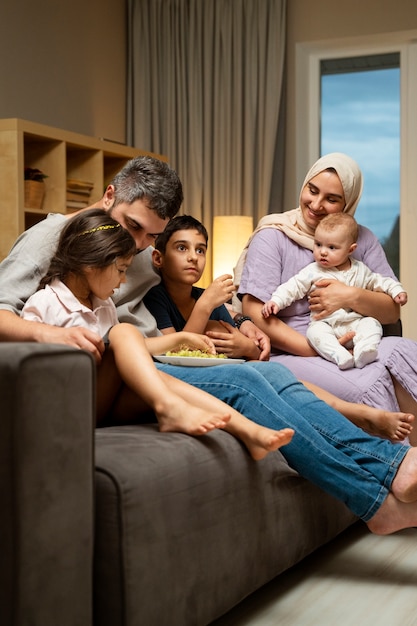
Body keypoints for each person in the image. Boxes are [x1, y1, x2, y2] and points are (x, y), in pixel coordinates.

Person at [2, 155, 417, 535]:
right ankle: (376, 498)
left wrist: (240, 322)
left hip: (154, 355)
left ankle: (390, 465)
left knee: (270, 371)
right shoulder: (53, 237)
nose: (142, 245)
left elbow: (191, 293)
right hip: (114, 368)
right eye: (134, 228)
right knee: (246, 385)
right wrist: (50, 333)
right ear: (109, 196)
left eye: (153, 236)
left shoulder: (146, 248)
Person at [21, 207, 294, 457]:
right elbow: (30, 374)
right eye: (120, 270)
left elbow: (131, 350)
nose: (124, 280)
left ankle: (248, 431)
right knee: (124, 333)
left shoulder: (103, 306)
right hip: (70, 406)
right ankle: (168, 408)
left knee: (162, 377)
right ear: (91, 264)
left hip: (104, 401)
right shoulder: (45, 304)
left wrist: (182, 338)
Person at [145, 213, 412, 443]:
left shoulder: (207, 297)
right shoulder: (159, 298)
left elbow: (245, 339)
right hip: (210, 377)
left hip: (238, 365)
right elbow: (174, 353)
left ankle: (361, 415)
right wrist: (206, 307)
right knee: (278, 383)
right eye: (182, 248)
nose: (193, 257)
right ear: (158, 258)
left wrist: (246, 340)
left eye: (200, 250)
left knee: (288, 380)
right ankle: (361, 415)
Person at [237, 152, 417, 446]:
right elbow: (255, 312)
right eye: (312, 190)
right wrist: (317, 349)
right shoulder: (274, 235)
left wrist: (349, 294)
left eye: (332, 199)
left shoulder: (362, 239)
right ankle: (397, 468)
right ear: (304, 185)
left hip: (354, 337)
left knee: (405, 352)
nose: (317, 204)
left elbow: (391, 312)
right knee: (368, 383)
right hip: (294, 350)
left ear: (348, 204)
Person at [262, 213, 407, 370]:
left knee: (372, 324)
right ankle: (339, 355)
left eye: (331, 247)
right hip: (325, 323)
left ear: (350, 249)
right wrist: (276, 301)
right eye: (318, 245)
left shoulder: (361, 270)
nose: (323, 252)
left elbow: (380, 282)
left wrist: (396, 290)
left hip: (355, 322)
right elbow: (292, 287)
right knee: (314, 334)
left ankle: (364, 350)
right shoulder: (313, 271)